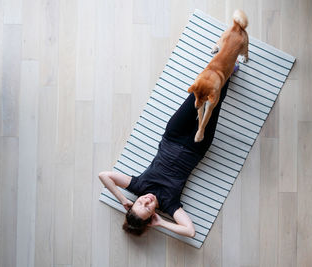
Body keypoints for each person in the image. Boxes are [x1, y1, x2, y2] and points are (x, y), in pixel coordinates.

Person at [98, 77, 231, 238]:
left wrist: (122, 200)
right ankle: (228, 71)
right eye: (148, 207)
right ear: (153, 214)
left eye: (140, 202)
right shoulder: (169, 204)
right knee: (213, 102)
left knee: (197, 94)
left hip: (173, 136)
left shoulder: (138, 187)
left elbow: (104, 175)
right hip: (196, 147)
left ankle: (218, 68)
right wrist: (161, 223)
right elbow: (190, 231)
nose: (147, 200)